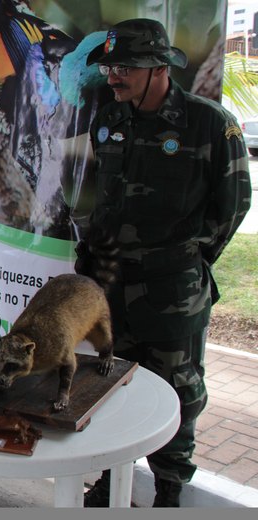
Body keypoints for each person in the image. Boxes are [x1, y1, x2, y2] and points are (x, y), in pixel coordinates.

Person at [78, 19, 252, 507]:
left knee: (179, 390)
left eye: (125, 66)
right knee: (111, 382)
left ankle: (170, 487)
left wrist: (187, 260)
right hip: (112, 288)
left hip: (172, 291)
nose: (114, 76)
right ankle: (113, 478)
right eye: (110, 66)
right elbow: (107, 199)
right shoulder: (109, 119)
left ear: (159, 68)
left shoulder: (210, 123)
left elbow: (234, 202)